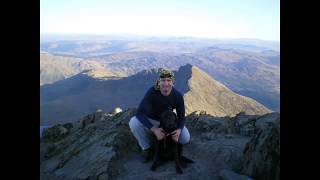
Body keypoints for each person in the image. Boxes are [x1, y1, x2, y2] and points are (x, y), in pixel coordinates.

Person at [129, 69, 190, 163]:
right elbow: (139, 113)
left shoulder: (177, 96)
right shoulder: (152, 92)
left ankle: (166, 141)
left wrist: (179, 130)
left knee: (185, 138)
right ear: (159, 82)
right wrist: (154, 129)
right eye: (163, 80)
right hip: (153, 120)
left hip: (168, 122)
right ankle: (147, 148)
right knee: (134, 123)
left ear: (173, 83)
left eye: (169, 80)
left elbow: (181, 117)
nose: (166, 84)